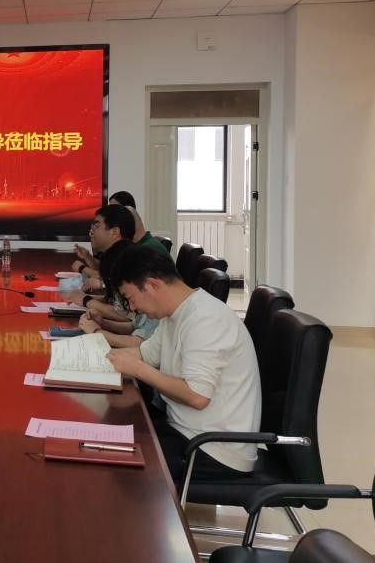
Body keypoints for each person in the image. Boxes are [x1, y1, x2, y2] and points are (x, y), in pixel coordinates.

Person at [105, 244, 261, 488]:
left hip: (214, 449)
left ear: (152, 285)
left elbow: (197, 396)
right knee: (110, 433)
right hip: (186, 431)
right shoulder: (174, 314)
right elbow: (144, 354)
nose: (132, 308)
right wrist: (93, 357)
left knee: (114, 462)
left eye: (130, 299)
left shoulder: (204, 319)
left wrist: (137, 369)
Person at [77, 239, 159, 348]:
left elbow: (138, 343)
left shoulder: (157, 304)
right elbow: (133, 326)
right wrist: (102, 322)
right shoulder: (144, 297)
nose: (132, 307)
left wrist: (97, 332)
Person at [71, 203, 136, 289]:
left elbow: (114, 285)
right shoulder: (112, 254)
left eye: (97, 226)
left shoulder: (129, 258)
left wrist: (82, 268)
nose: (91, 231)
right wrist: (87, 256)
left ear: (114, 232)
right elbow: (104, 273)